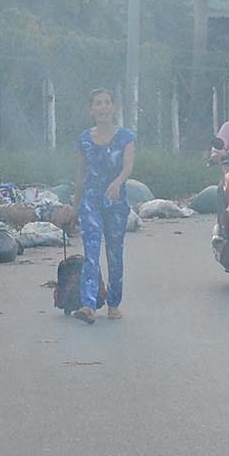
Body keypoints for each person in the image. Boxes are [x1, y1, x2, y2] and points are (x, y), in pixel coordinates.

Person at [72, 87, 135, 323]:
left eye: (107, 103)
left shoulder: (126, 137)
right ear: (91, 110)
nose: (103, 107)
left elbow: (128, 166)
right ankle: (88, 305)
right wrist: (75, 206)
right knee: (91, 248)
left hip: (116, 200)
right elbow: (80, 175)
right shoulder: (85, 140)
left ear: (114, 108)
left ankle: (113, 302)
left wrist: (118, 183)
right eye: (98, 103)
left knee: (114, 252)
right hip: (91, 199)